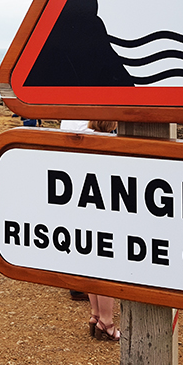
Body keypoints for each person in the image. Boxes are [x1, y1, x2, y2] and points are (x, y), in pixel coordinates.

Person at [85, 119, 120, 342]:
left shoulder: (84, 141)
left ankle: (95, 314)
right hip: (108, 212)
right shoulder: (116, 144)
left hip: (87, 211)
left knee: (92, 264)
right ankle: (106, 322)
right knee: (108, 267)